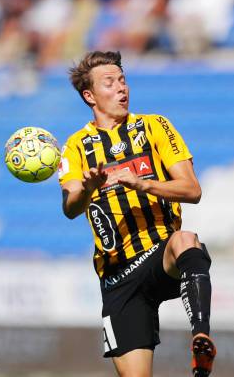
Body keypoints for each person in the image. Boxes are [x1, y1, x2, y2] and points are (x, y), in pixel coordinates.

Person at [59, 51, 215, 377]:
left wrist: (143, 184)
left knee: (187, 241)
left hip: (160, 255)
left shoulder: (154, 126)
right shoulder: (76, 147)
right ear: (90, 96)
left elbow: (192, 190)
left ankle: (201, 336)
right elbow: (70, 207)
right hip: (118, 276)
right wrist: (88, 189)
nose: (121, 88)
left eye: (123, 80)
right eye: (110, 83)